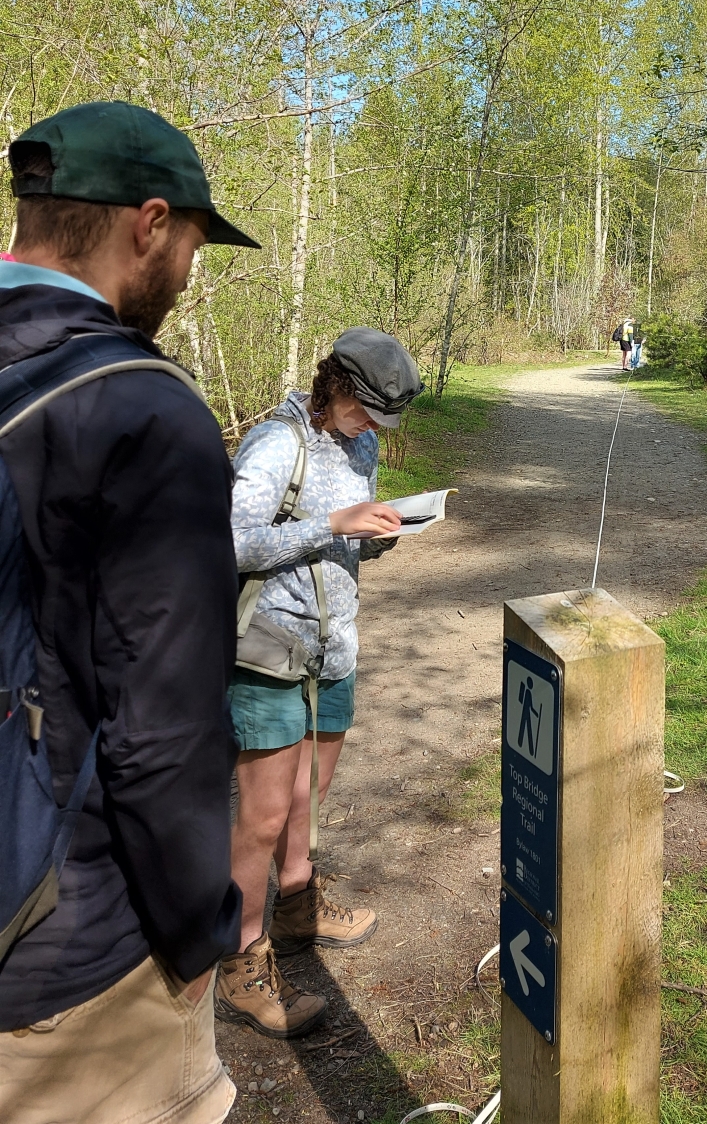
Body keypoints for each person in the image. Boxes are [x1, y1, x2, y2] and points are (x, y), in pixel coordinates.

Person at [0, 102, 259, 1123]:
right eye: (193, 244)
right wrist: (201, 928)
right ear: (149, 224)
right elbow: (166, 732)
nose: (189, 277)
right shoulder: (141, 411)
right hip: (70, 953)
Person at [216, 327, 423, 1038]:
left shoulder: (360, 443)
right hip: (269, 648)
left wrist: (378, 532)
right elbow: (231, 541)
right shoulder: (278, 443)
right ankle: (242, 965)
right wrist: (331, 521)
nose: (373, 428)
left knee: (311, 794)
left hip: (335, 646)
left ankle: (299, 910)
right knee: (264, 816)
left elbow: (343, 532)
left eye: (382, 419)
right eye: (366, 409)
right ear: (333, 383)